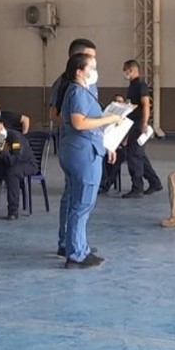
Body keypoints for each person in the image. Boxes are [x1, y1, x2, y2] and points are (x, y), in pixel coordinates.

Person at [58, 53, 121, 268]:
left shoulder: (80, 91)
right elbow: (79, 122)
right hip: (83, 151)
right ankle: (76, 255)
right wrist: (111, 119)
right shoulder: (77, 91)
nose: (94, 71)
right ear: (79, 70)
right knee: (82, 203)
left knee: (77, 201)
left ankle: (78, 246)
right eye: (91, 67)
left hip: (78, 149)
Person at [49, 38, 98, 257]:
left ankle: (76, 243)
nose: (94, 64)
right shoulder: (65, 85)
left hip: (90, 143)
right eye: (90, 59)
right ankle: (68, 244)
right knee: (75, 198)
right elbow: (60, 116)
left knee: (80, 199)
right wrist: (76, 126)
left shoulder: (88, 85)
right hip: (77, 145)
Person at [0, 118, 37, 218]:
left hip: (25, 164)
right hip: (4, 164)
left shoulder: (15, 137)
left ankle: (13, 211)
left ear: (1, 124)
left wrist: (2, 151)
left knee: (12, 172)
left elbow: (15, 160)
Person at [122, 59, 162, 198]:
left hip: (139, 124)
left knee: (133, 155)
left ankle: (137, 187)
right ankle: (155, 182)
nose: (124, 73)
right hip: (132, 123)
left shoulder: (140, 85)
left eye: (125, 70)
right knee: (140, 154)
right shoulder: (132, 86)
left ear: (131, 70)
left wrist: (144, 123)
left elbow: (146, 105)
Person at [99, 94, 127, 194]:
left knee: (118, 157)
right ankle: (102, 180)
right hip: (106, 146)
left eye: (121, 102)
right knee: (101, 156)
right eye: (117, 101)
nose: (119, 103)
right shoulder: (106, 116)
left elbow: (126, 139)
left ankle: (107, 183)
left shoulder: (126, 119)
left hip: (119, 147)